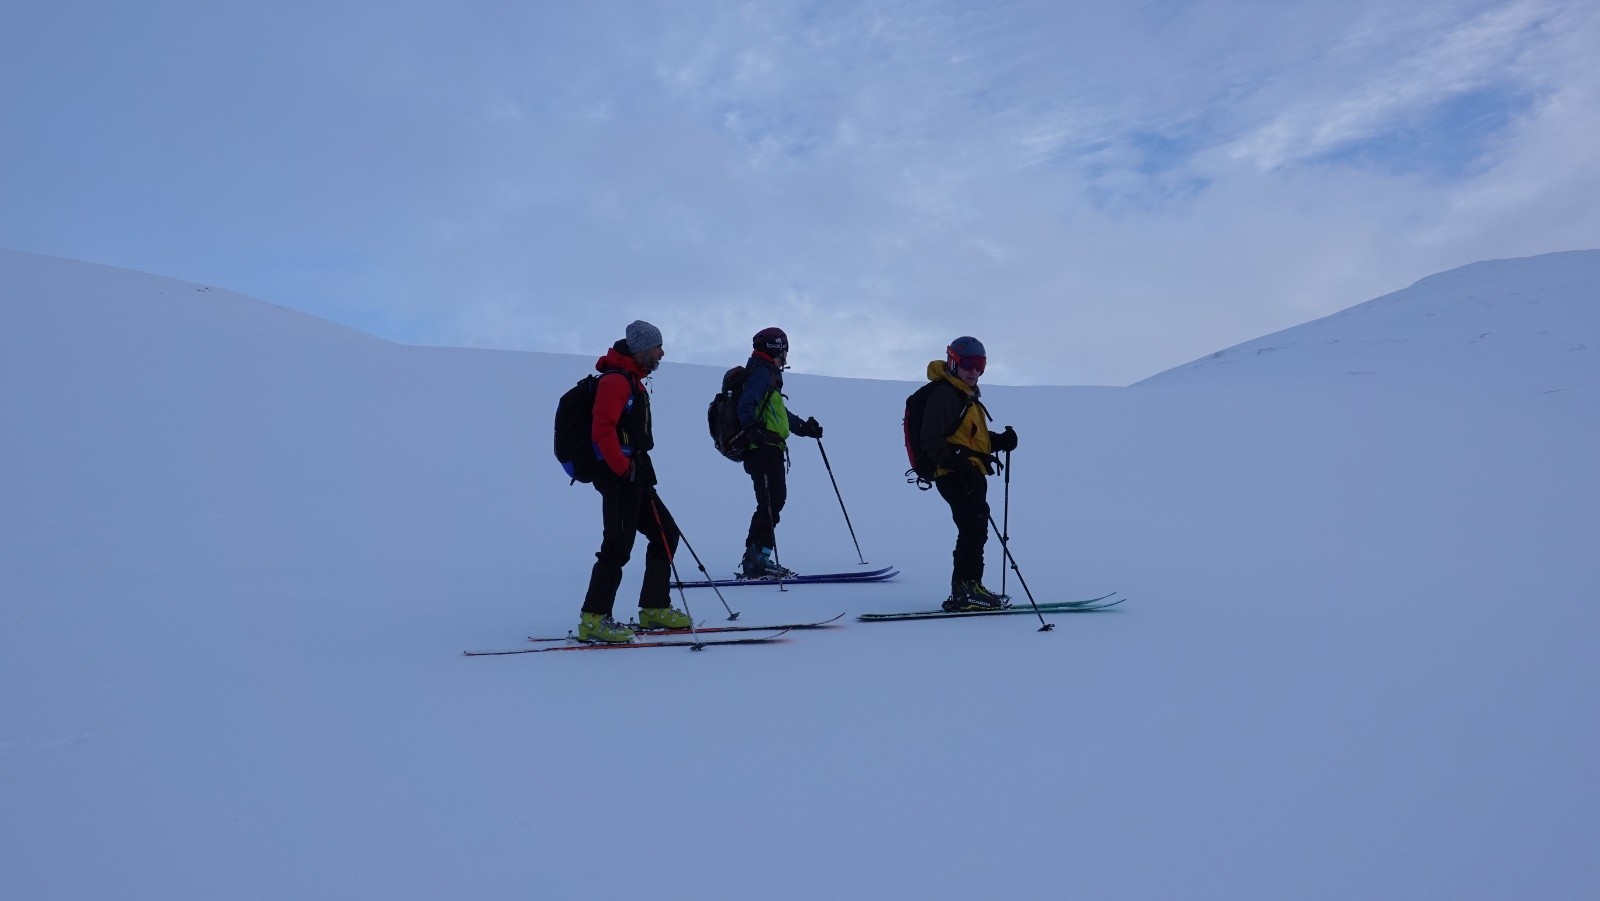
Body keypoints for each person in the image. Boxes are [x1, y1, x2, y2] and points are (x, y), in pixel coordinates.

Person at [576, 320, 693, 643]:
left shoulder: (633, 379)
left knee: (665, 534)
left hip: (634, 473)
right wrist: (621, 467)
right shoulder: (616, 382)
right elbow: (602, 429)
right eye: (657, 347)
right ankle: (594, 618)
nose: (662, 353)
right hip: (619, 476)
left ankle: (654, 607)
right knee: (617, 545)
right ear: (643, 349)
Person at [918, 336, 1019, 611]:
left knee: (975, 526)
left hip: (968, 472)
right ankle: (965, 589)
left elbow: (971, 440)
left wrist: (1000, 441)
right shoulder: (946, 394)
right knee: (973, 527)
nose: (974, 371)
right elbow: (931, 437)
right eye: (968, 364)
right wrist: (955, 464)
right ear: (953, 363)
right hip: (954, 473)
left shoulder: (965, 395)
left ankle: (969, 586)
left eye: (980, 364)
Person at [735, 326, 824, 579]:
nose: (787, 354)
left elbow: (778, 413)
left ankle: (756, 557)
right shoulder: (762, 373)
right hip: (762, 448)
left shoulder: (766, 374)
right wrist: (754, 430)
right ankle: (757, 560)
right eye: (785, 348)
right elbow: (746, 407)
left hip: (769, 447)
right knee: (771, 503)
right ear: (777, 349)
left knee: (772, 502)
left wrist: (804, 428)